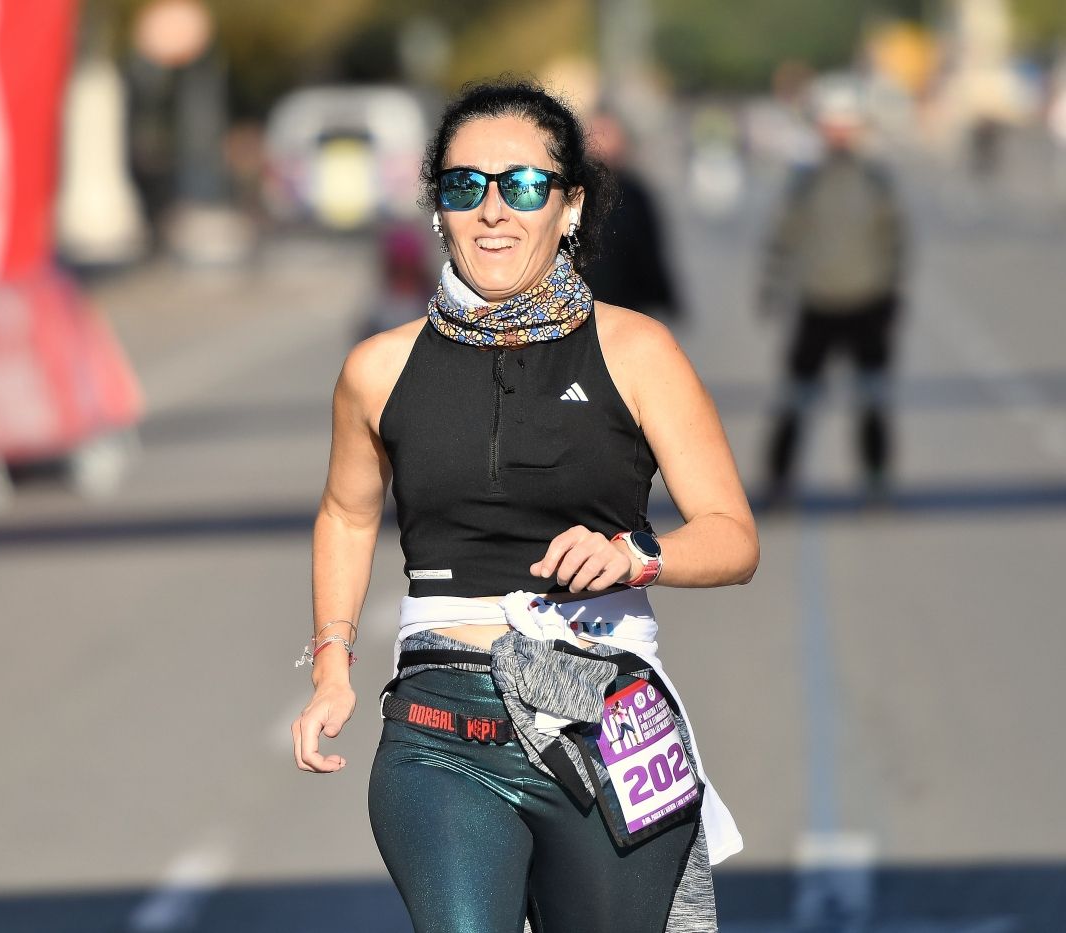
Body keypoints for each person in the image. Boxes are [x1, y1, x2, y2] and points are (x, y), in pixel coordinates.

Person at [291, 79, 759, 932]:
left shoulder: (637, 350)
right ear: (438, 206)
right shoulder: (378, 368)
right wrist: (332, 666)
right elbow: (348, 514)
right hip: (440, 725)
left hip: (606, 713)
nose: (494, 210)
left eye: (525, 185)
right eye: (466, 186)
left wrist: (637, 555)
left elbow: (733, 538)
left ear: (570, 204)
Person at [759, 80, 906, 506]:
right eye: (832, 126)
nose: (840, 134)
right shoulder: (805, 181)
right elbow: (783, 238)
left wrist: (891, 294)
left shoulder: (876, 180)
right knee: (797, 401)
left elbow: (893, 239)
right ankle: (779, 482)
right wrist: (772, 288)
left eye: (847, 126)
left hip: (868, 305)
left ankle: (876, 481)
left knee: (872, 400)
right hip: (817, 305)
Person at [580, 111, 684, 326]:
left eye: (608, 135)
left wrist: (662, 295)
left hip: (628, 301)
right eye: (596, 135)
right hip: (580, 300)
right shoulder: (569, 190)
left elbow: (650, 247)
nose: (602, 144)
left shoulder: (635, 191)